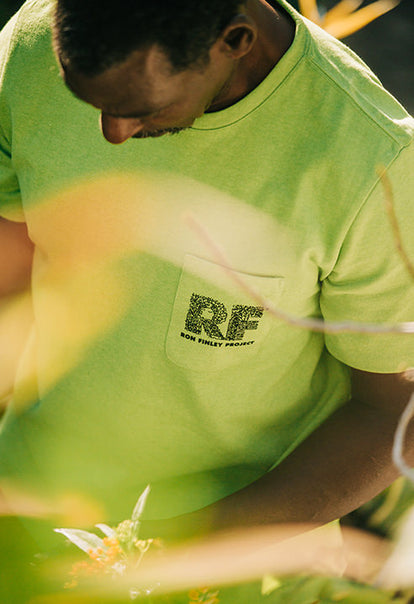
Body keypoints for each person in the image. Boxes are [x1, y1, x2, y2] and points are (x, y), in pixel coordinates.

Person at [0, 0, 413, 578]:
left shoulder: (375, 163)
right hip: (26, 505)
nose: (111, 133)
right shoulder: (31, 43)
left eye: (141, 109)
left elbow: (395, 413)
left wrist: (154, 557)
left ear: (236, 39)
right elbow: (10, 247)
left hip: (240, 569)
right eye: (86, 101)